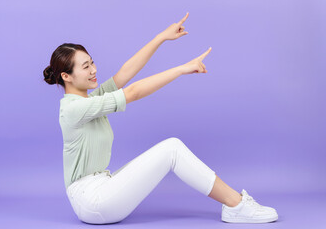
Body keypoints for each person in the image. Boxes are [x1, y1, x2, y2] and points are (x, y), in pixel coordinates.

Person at [43, 12, 278, 224]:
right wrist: (182, 69)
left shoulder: (89, 100)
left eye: (92, 62)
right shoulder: (72, 109)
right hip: (92, 200)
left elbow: (124, 73)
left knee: (170, 149)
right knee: (172, 148)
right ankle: (235, 205)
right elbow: (133, 92)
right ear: (66, 76)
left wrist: (161, 38)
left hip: (102, 187)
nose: (93, 69)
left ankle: (235, 205)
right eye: (85, 66)